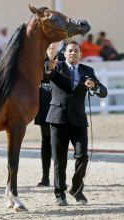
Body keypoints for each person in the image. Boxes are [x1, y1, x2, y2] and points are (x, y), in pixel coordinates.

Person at [45, 41, 108, 206]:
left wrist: (94, 86)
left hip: (79, 120)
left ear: (81, 54)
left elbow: (103, 92)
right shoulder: (57, 66)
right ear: (64, 53)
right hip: (58, 119)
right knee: (60, 159)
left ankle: (76, 188)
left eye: (76, 51)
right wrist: (50, 57)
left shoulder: (88, 70)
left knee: (83, 157)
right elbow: (46, 73)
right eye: (70, 50)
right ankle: (60, 193)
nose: (73, 53)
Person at [35, 42, 61, 187]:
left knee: (60, 140)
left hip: (61, 97)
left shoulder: (64, 57)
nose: (52, 46)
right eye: (50, 45)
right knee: (46, 139)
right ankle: (45, 176)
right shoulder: (39, 58)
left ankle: (59, 176)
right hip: (45, 99)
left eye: (55, 44)